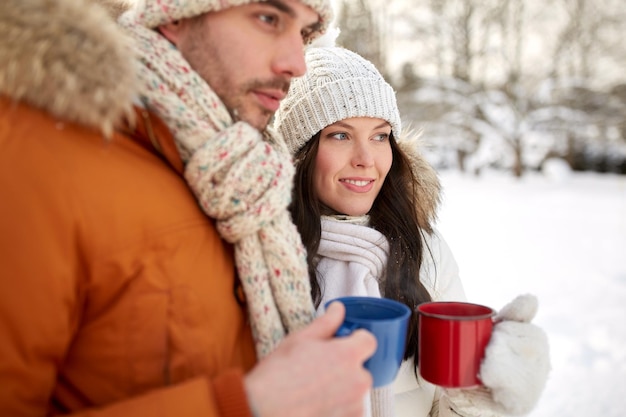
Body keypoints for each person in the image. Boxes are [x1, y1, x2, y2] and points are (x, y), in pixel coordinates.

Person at [0, 0, 378, 416]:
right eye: (269, 19)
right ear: (174, 15)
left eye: (305, 34)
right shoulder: (30, 160)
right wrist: (243, 404)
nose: (296, 63)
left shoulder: (244, 179)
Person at [274, 44, 551, 417]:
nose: (366, 159)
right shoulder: (263, 257)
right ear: (298, 152)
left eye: (380, 135)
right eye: (340, 135)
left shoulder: (425, 252)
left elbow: (442, 403)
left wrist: (479, 398)